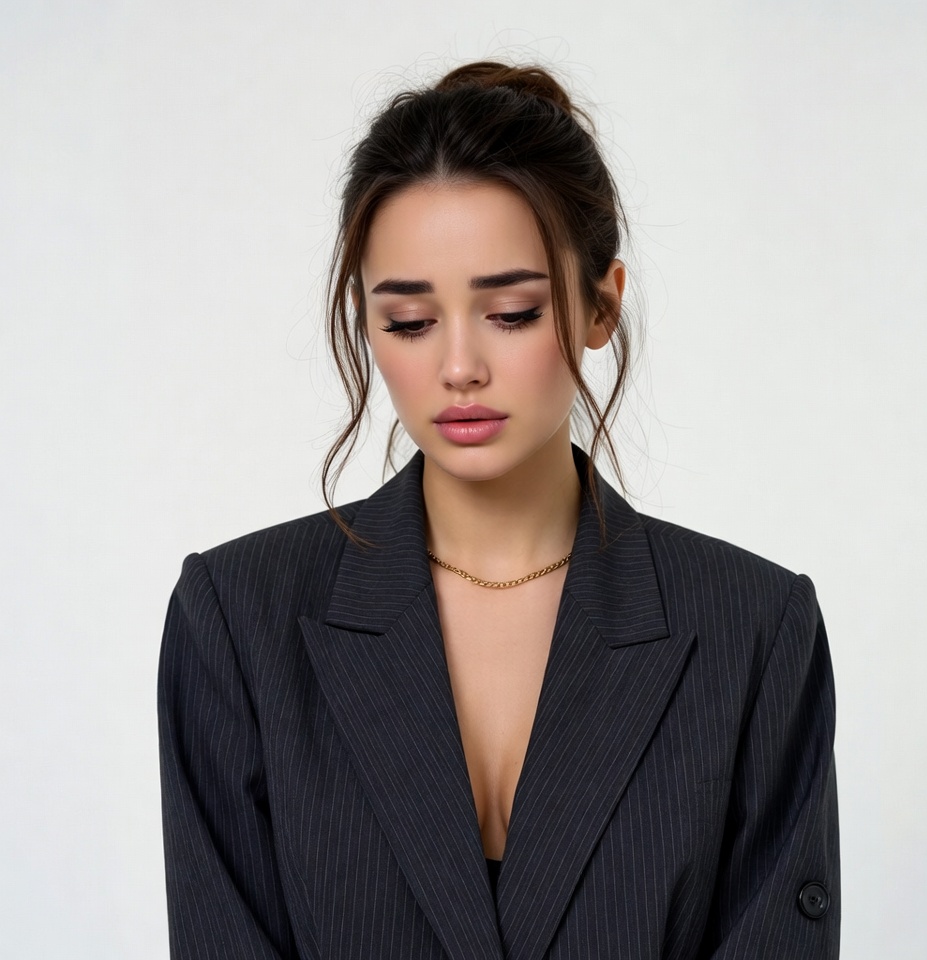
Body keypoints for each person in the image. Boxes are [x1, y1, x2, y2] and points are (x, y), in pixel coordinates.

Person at [158, 61, 840, 959]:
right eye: (408, 322)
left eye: (511, 312)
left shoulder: (753, 630)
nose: (458, 367)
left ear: (603, 304)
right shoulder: (238, 624)